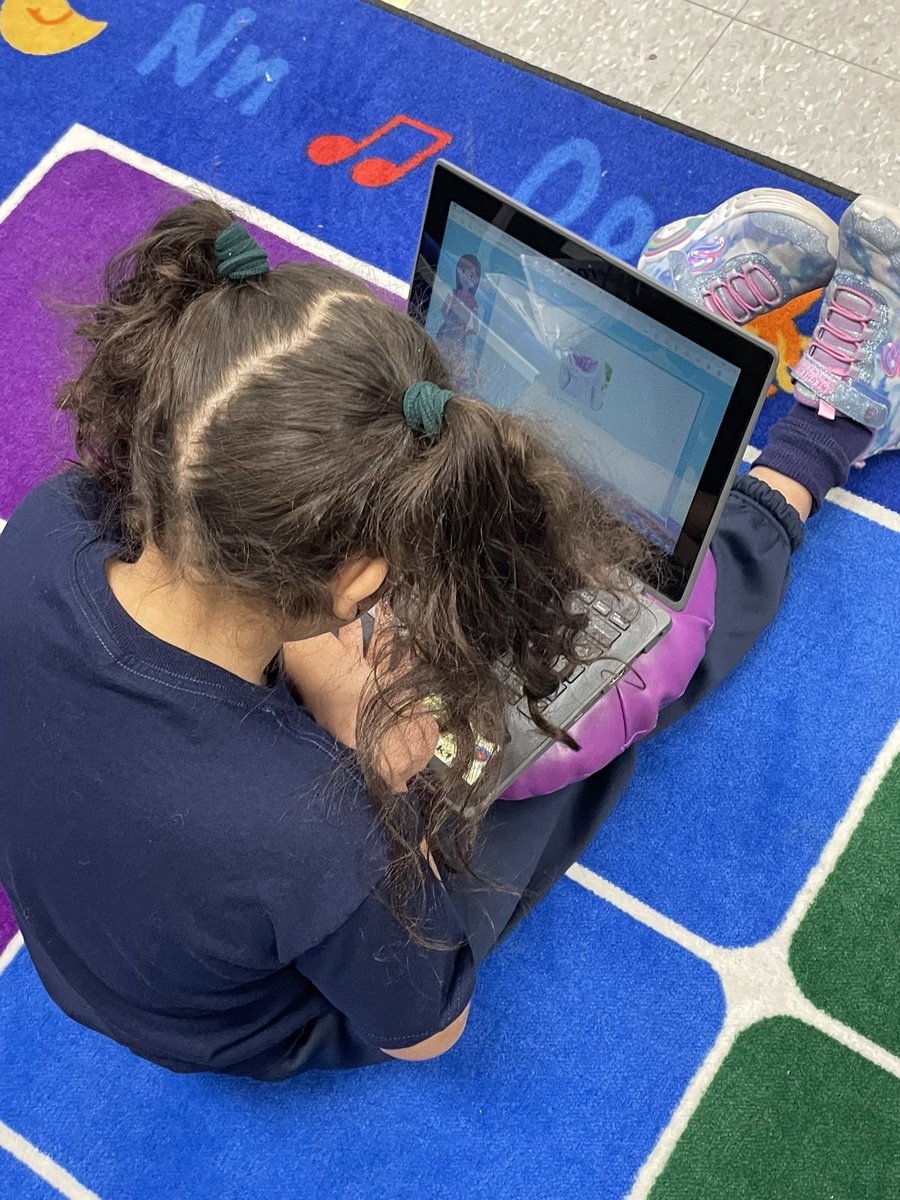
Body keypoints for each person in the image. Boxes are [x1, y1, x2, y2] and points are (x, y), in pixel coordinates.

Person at [0, 187, 896, 1080]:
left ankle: (644, 339)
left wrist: (332, 680)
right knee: (577, 702)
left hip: (104, 944)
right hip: (256, 1021)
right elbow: (427, 1033)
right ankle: (817, 447)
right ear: (355, 582)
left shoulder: (50, 523)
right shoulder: (322, 834)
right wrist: (393, 808)